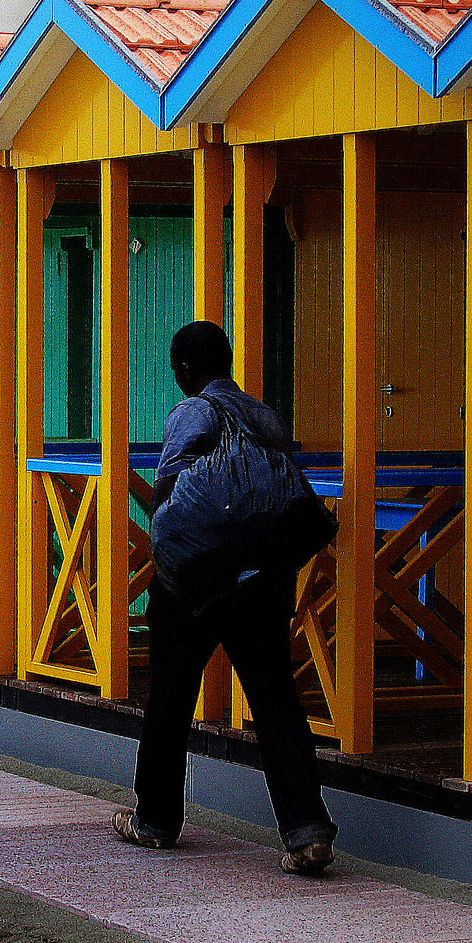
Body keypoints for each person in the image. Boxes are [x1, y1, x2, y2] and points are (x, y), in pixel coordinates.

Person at [111, 320, 338, 876]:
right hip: (263, 582)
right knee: (276, 702)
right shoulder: (263, 415)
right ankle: (307, 833)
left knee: (169, 697)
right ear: (229, 362)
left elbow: (169, 496)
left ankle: (156, 821)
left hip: (194, 585)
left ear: (184, 371)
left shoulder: (190, 414)